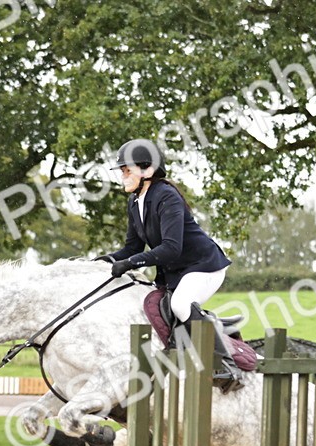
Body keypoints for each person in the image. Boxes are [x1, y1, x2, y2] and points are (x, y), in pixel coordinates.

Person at [94, 138, 241, 390]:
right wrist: (103, 261)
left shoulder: (166, 196)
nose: (122, 175)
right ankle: (210, 328)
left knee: (180, 304)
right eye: (122, 170)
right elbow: (133, 248)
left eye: (126, 169)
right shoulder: (135, 202)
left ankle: (226, 367)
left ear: (147, 170)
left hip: (204, 266)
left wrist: (129, 263)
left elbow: (172, 248)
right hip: (178, 272)